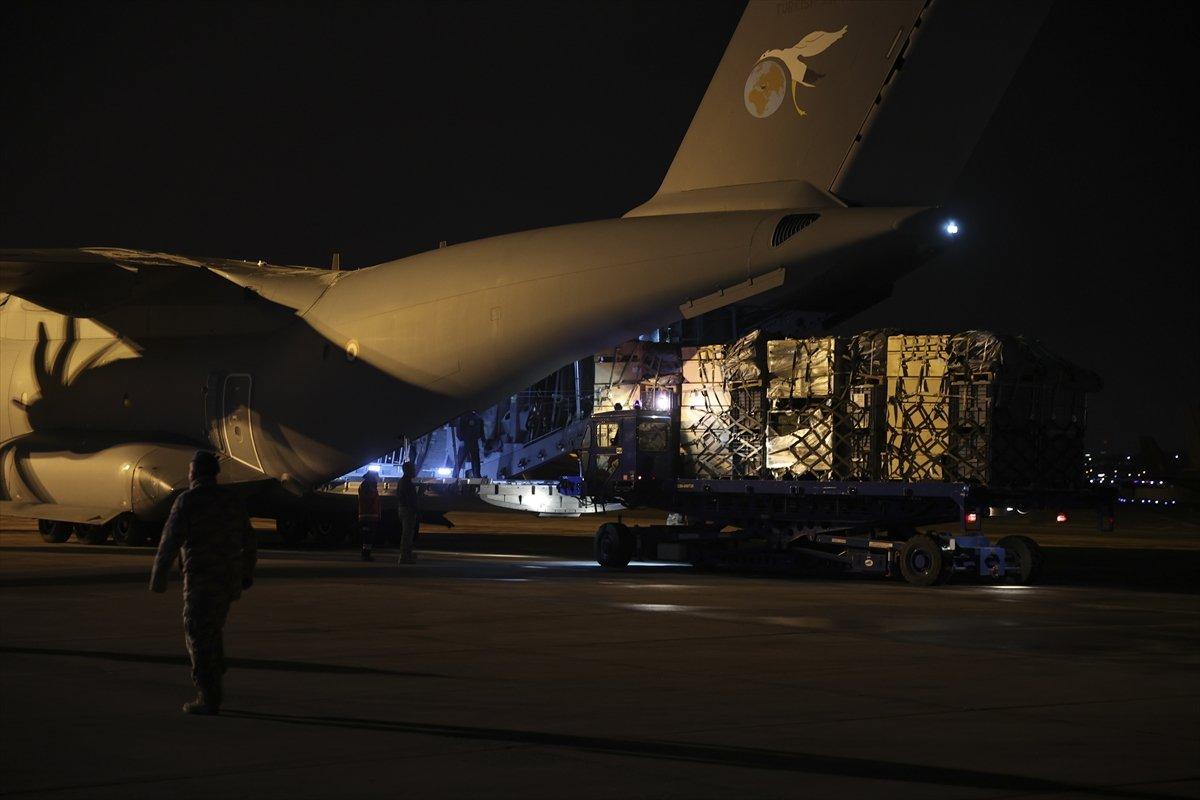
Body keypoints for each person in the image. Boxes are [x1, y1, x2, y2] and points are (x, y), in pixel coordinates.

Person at [150, 450, 256, 716]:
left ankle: (208, 695)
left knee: (197, 633)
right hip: (228, 580)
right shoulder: (231, 501)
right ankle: (216, 672)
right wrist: (246, 573)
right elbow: (250, 540)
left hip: (202, 580)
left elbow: (170, 541)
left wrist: (158, 576)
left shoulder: (188, 501)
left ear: (194, 472)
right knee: (213, 628)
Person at [397, 460, 419, 564]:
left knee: (408, 533)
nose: (415, 471)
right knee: (407, 534)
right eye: (413, 469)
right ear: (408, 470)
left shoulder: (404, 481)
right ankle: (404, 556)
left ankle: (406, 555)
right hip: (407, 510)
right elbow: (407, 497)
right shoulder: (406, 482)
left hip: (405, 509)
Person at [357, 470, 381, 561]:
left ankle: (366, 554)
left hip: (369, 515)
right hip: (368, 515)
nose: (377, 478)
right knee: (368, 536)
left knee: (369, 536)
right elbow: (370, 499)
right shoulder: (368, 485)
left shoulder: (367, 485)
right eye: (376, 476)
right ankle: (365, 555)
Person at [453, 410, 484, 479]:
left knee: (475, 459)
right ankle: (455, 475)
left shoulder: (477, 417)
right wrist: (461, 439)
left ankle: (477, 475)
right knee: (461, 459)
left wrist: (482, 440)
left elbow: (481, 430)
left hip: (473, 440)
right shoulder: (464, 417)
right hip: (466, 441)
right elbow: (459, 429)